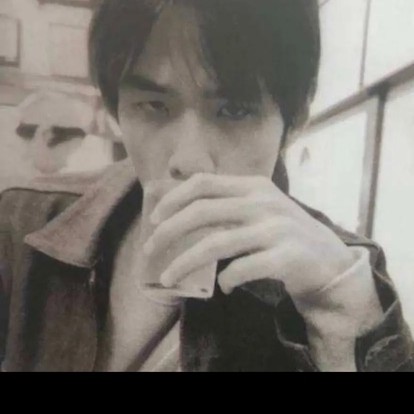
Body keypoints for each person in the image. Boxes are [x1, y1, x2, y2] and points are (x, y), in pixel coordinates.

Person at [0, 0, 413, 372]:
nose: (189, 160)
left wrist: (342, 318)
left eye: (234, 110)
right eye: (154, 105)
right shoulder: (22, 225)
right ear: (115, 109)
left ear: (295, 122)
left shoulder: (343, 275)